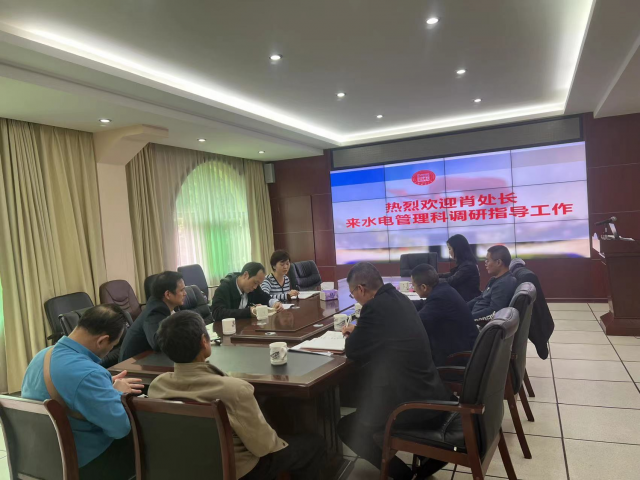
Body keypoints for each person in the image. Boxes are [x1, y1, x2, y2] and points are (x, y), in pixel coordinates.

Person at [148, 310, 326, 480]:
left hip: (186, 468)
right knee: (313, 445)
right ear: (204, 341)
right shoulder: (234, 389)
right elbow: (264, 447)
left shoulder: (157, 387)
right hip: (238, 471)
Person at [338, 263, 451, 480]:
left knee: (347, 427)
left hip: (411, 404)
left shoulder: (374, 308)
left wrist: (357, 332)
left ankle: (402, 475)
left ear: (361, 289)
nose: (356, 299)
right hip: (431, 391)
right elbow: (387, 333)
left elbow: (353, 350)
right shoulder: (400, 299)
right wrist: (362, 329)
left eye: (353, 295)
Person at [22, 304, 143, 480]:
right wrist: (117, 393)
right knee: (147, 442)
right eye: (113, 345)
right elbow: (120, 429)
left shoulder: (41, 355)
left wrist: (103, 386)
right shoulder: (89, 374)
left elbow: (71, 387)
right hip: (81, 462)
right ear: (102, 341)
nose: (110, 350)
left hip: (41, 457)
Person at [411, 264, 479, 366]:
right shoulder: (443, 289)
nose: (413, 288)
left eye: (413, 285)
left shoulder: (439, 298)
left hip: (458, 358)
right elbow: (424, 304)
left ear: (424, 287)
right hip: (464, 348)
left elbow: (417, 324)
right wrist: (404, 303)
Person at [119, 271, 187, 361]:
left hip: (146, 358)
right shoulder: (155, 311)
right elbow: (158, 343)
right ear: (168, 294)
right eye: (182, 290)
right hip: (133, 363)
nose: (185, 293)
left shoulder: (163, 305)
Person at [211, 262, 284, 322]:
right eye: (255, 282)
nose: (255, 287)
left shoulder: (254, 287)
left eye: (258, 284)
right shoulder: (225, 288)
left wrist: (275, 303)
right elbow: (217, 313)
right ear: (245, 275)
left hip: (245, 328)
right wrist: (249, 312)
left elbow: (264, 297)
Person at [468, 245, 517, 322]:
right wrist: (462, 308)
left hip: (479, 324)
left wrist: (467, 319)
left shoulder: (504, 284)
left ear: (498, 262)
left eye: (488, 260)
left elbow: (494, 312)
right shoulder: (494, 280)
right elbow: (480, 298)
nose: (485, 263)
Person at [439, 234, 481, 301]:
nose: (449, 252)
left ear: (457, 249)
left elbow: (451, 281)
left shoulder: (468, 266)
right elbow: (451, 274)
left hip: (467, 303)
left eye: (449, 249)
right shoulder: (464, 264)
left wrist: (432, 280)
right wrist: (434, 276)